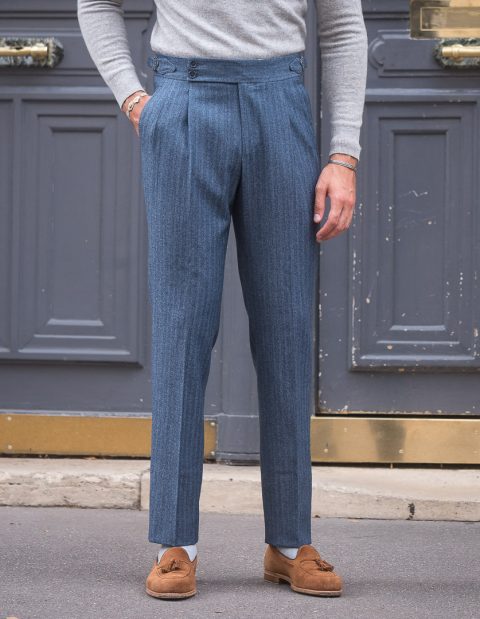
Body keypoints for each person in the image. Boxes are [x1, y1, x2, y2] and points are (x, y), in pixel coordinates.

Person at [77, 0, 367, 600]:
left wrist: (343, 155)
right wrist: (133, 98)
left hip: (280, 103)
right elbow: (97, 3)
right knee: (182, 329)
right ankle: (175, 543)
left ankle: (290, 543)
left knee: (286, 329)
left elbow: (342, 26)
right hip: (183, 102)